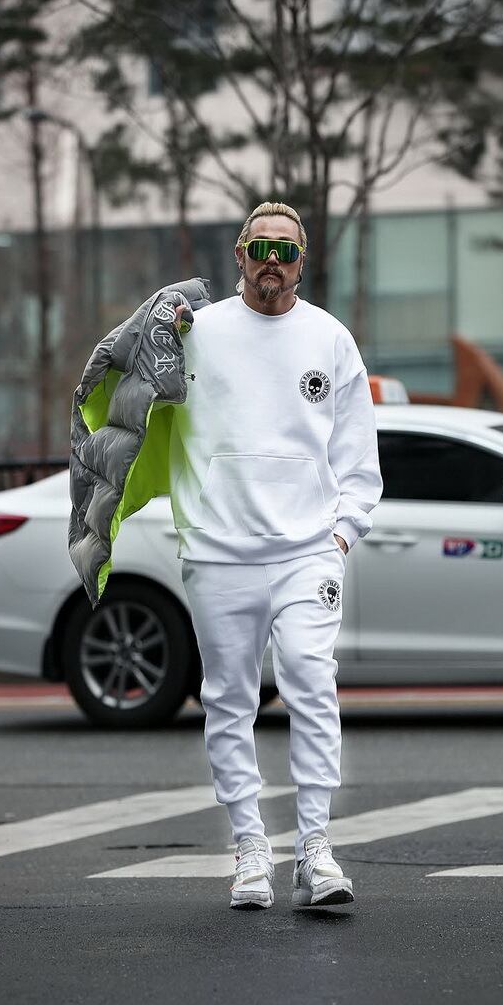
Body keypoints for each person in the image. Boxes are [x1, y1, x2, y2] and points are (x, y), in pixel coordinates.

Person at [170, 201, 382, 909]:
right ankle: (249, 848)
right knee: (228, 698)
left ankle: (316, 847)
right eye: (260, 247)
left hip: (307, 551)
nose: (272, 260)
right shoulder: (197, 333)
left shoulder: (330, 338)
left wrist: (342, 535)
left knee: (310, 680)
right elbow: (137, 404)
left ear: (302, 261)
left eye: (285, 250)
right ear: (239, 253)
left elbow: (358, 458)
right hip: (219, 551)